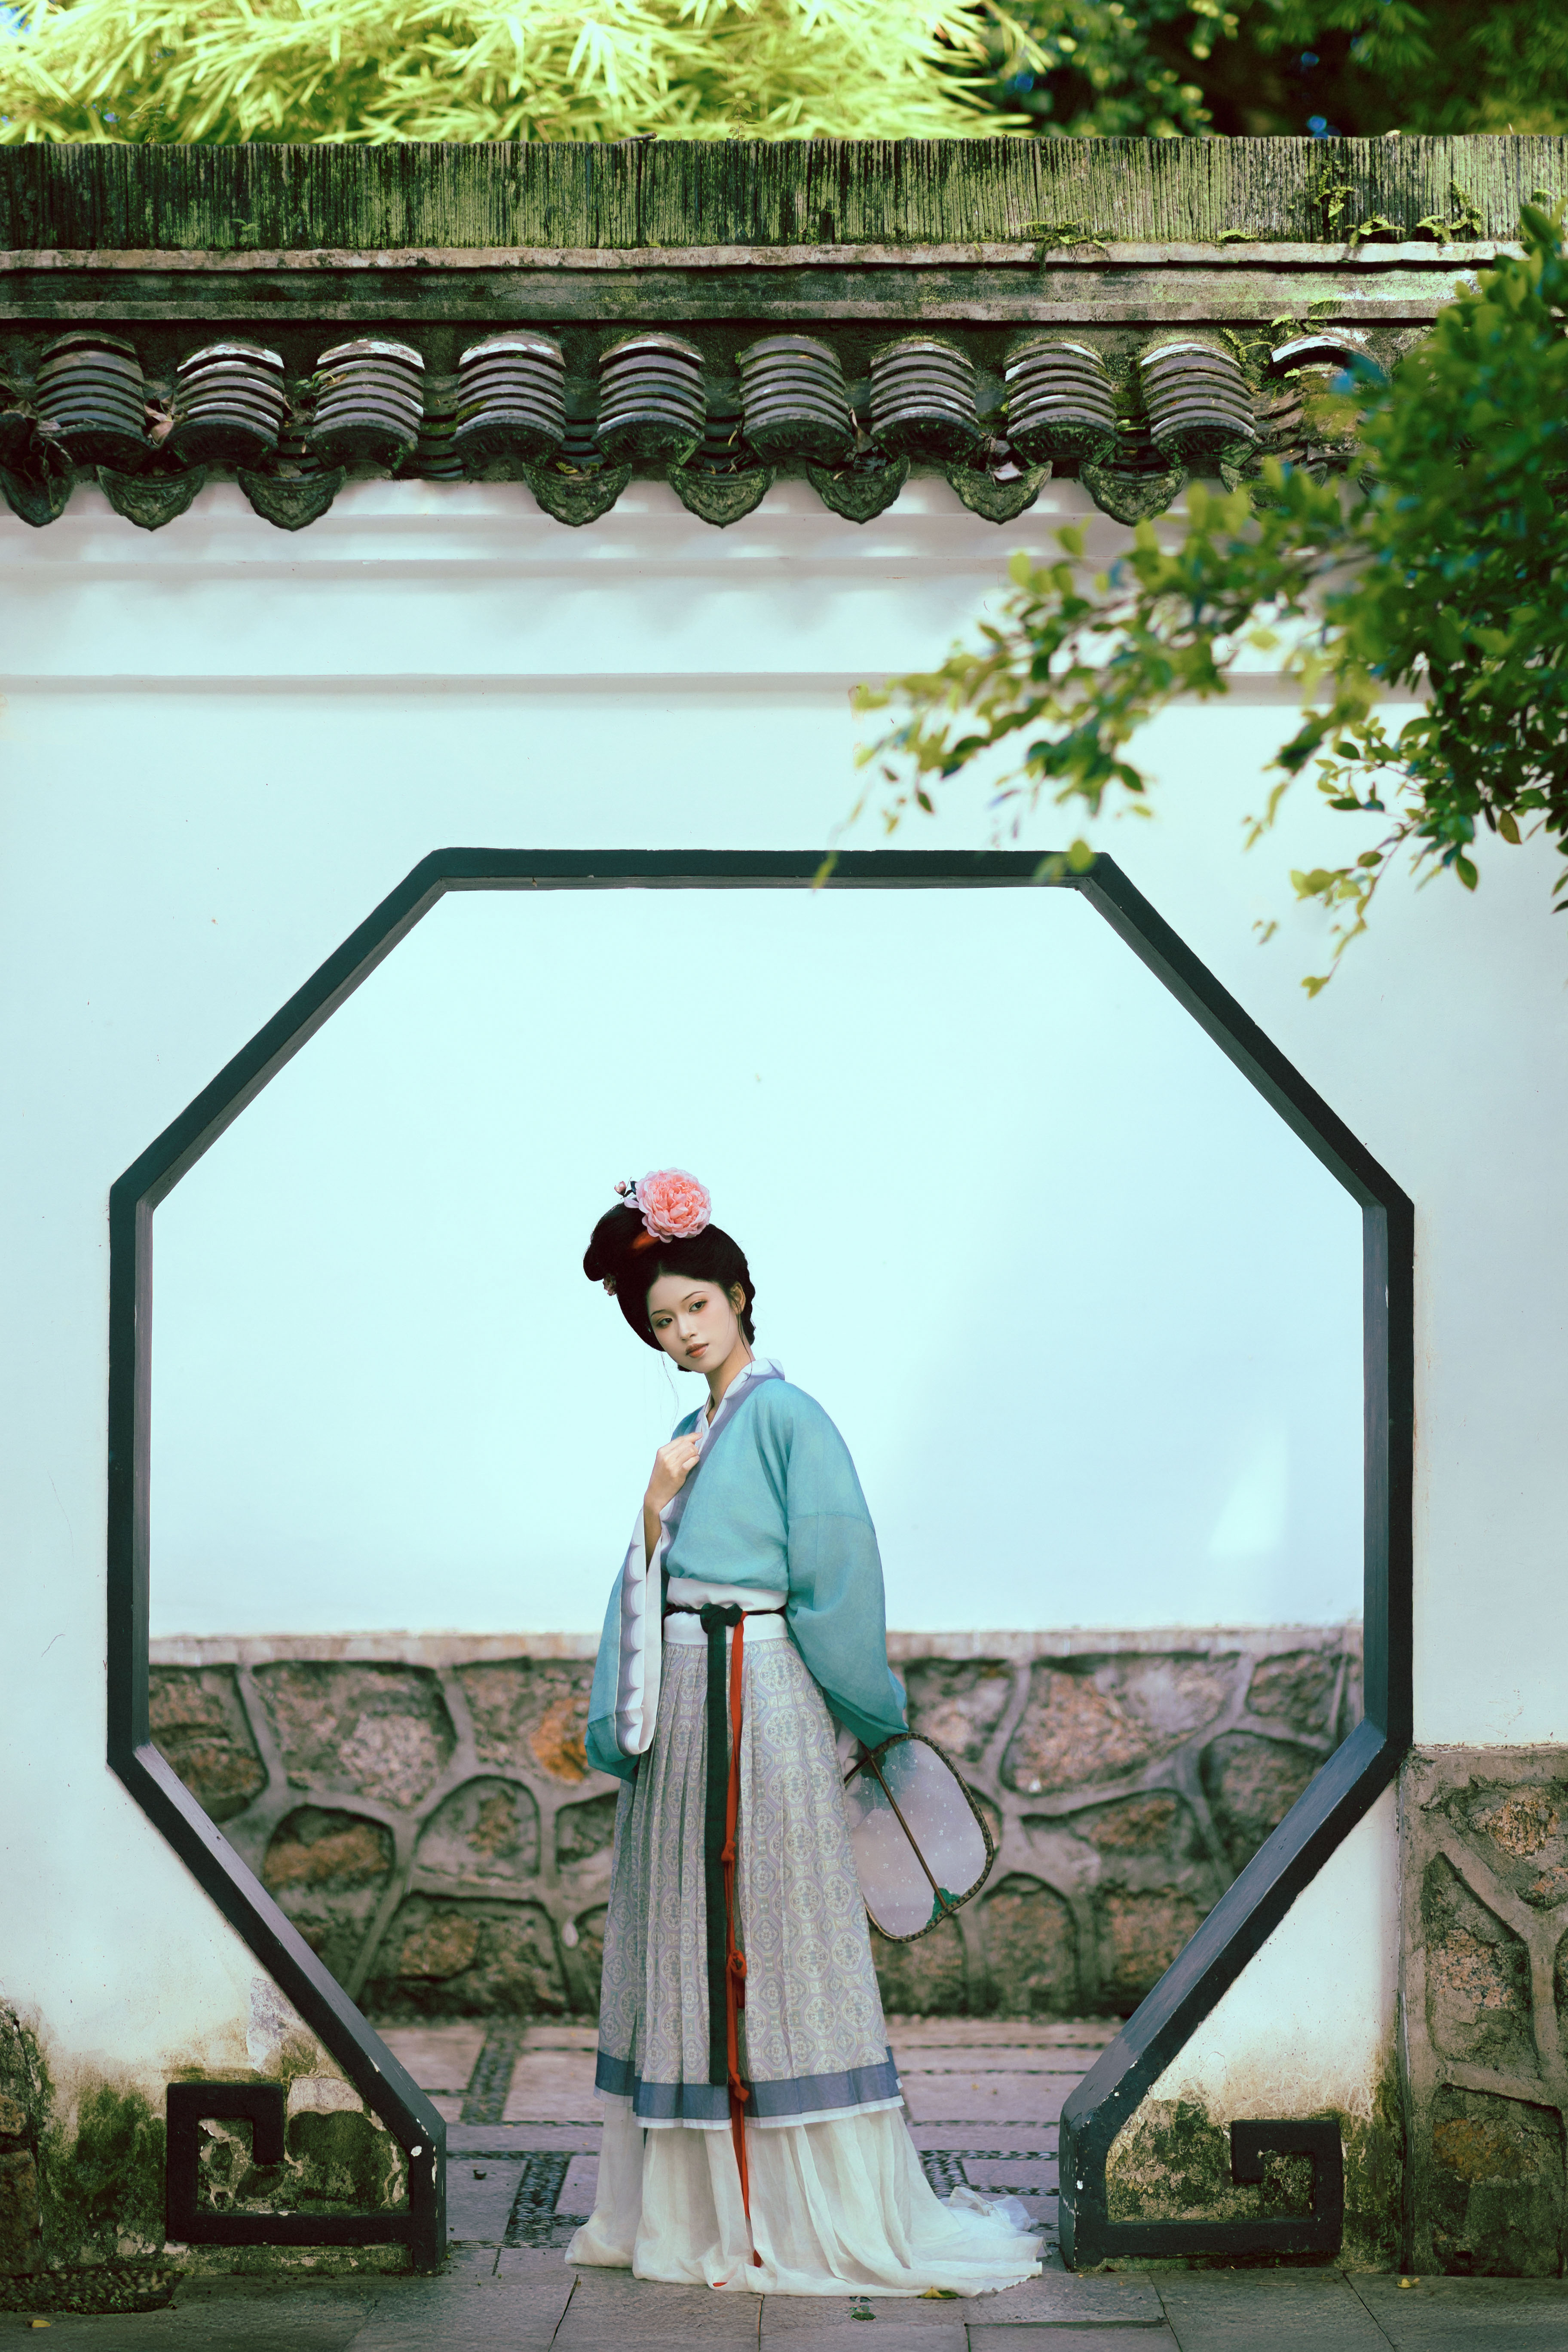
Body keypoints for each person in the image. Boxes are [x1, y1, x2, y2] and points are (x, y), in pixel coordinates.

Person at [567, 1169, 1042, 2296]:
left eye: (697, 1306)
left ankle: (796, 2212)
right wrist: (651, 1507)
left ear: (739, 1296)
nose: (684, 1332)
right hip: (687, 1700)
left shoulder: (789, 1418)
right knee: (686, 1933)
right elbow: (652, 1573)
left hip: (765, 1686)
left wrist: (872, 1717)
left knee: (778, 1932)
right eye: (662, 1321)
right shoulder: (684, 1437)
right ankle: (704, 2216)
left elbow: (838, 1572)